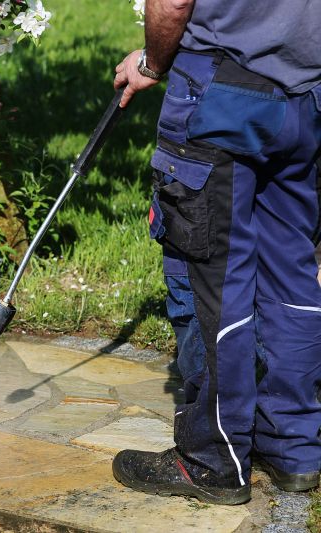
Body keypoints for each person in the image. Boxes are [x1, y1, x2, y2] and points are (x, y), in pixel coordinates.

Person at [111, 0, 321, 505]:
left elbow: (173, 3)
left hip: (220, 90)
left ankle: (212, 460)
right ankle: (294, 449)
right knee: (291, 273)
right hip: (306, 100)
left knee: (211, 280)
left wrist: (152, 64)